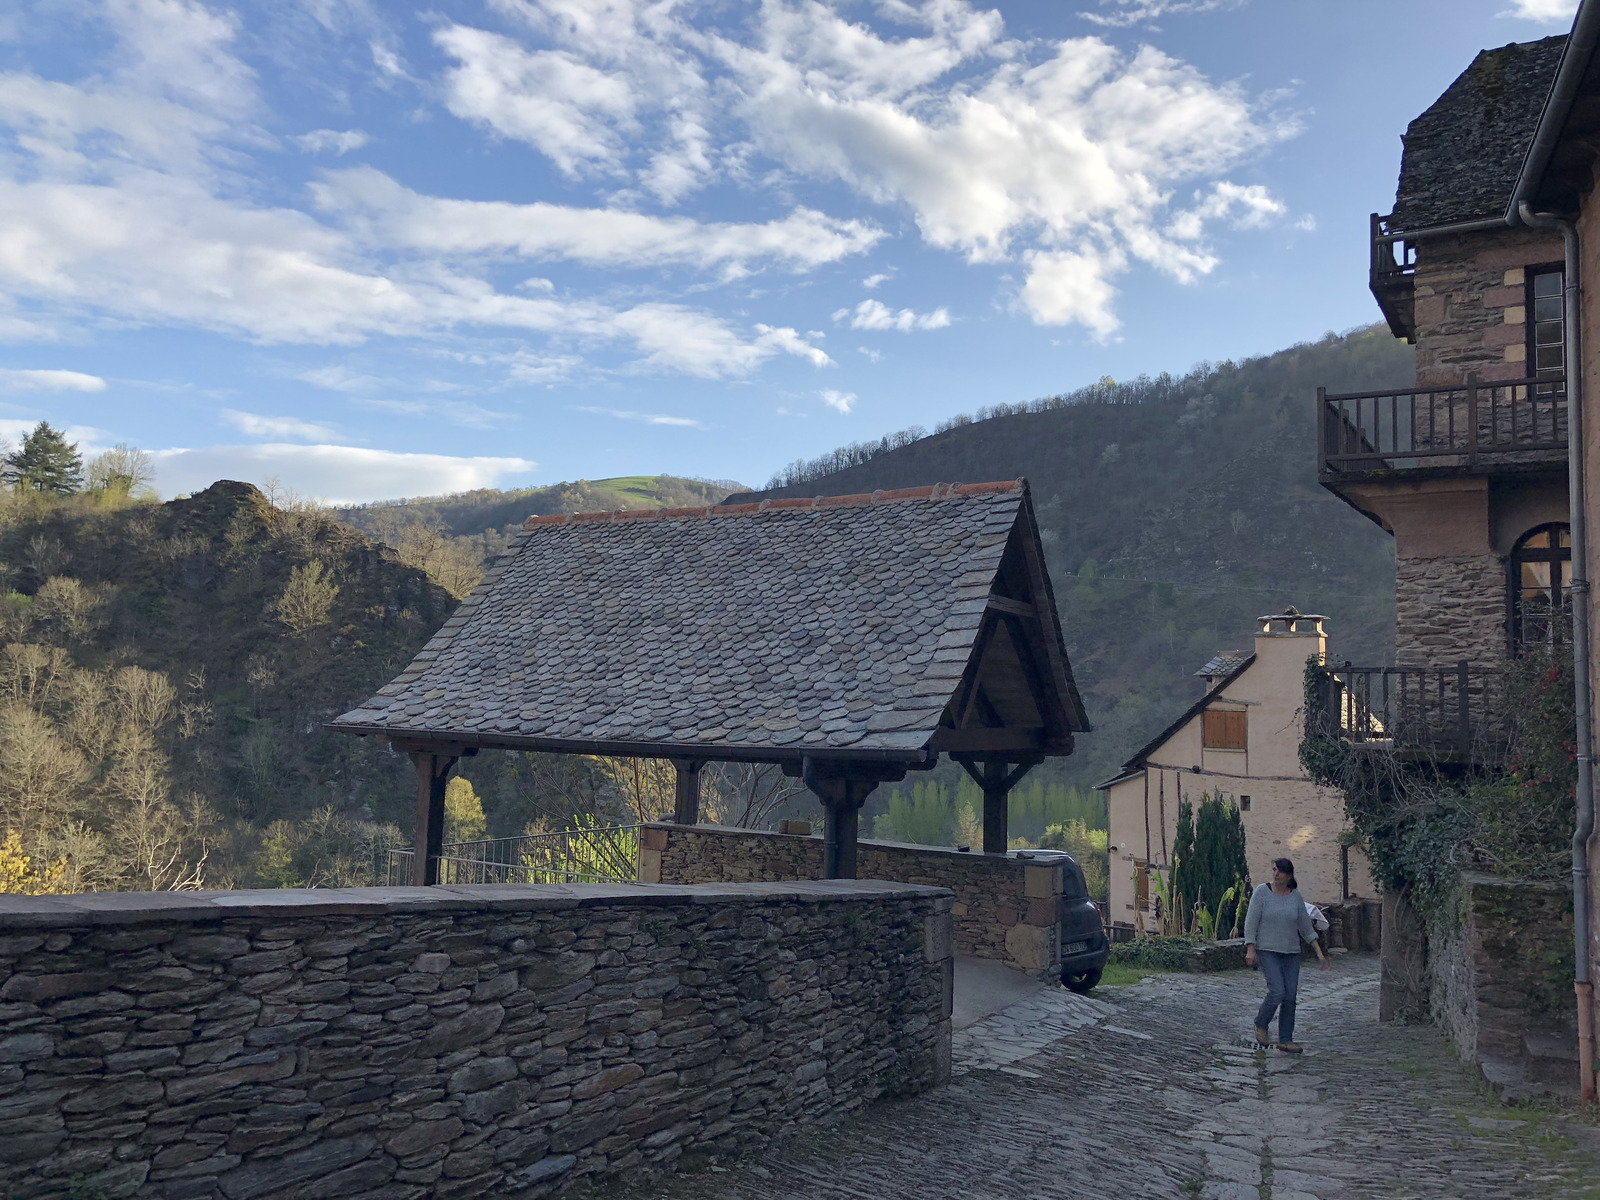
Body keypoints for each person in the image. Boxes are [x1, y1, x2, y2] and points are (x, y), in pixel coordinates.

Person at [1243, 857, 1328, 1053]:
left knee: (1290, 997)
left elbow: (1306, 927)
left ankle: (1285, 1039)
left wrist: (1319, 953)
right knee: (1277, 991)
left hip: (1291, 953)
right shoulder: (1262, 893)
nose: (1276, 874)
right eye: (1274, 870)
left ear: (1289, 875)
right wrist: (1251, 947)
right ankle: (1261, 1023)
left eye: (1280, 871)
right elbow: (1251, 921)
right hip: (1268, 950)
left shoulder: (1295, 896)